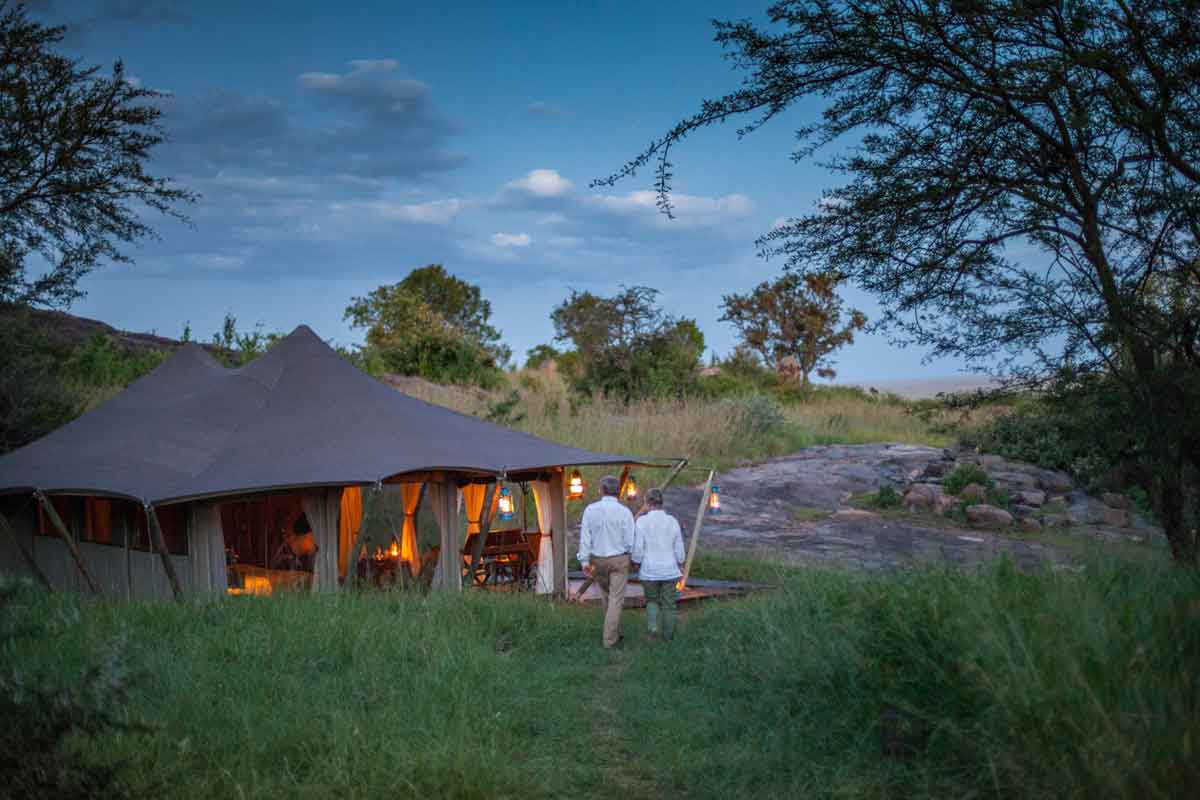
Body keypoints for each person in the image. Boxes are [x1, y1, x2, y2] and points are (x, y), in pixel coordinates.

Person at [578, 474, 635, 649]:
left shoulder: (590, 510)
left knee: (607, 598)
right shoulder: (625, 512)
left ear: (601, 491)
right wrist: (632, 558)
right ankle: (610, 641)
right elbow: (630, 540)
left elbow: (585, 538)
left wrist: (584, 561)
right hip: (619, 559)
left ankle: (615, 631)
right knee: (616, 600)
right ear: (618, 492)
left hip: (597, 560)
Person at [632, 488, 685, 642]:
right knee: (669, 605)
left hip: (649, 571)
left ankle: (653, 628)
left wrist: (636, 562)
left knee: (652, 600)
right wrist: (680, 562)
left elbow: (638, 549)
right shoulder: (672, 521)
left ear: (647, 503)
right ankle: (668, 637)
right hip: (670, 571)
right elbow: (679, 548)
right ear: (662, 503)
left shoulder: (641, 522)